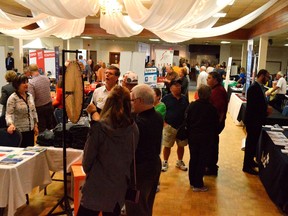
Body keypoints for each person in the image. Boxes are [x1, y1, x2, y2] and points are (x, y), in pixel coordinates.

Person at [78, 86, 139, 216]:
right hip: (119, 185)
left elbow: (87, 161)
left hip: (96, 185)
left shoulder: (99, 128)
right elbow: (131, 156)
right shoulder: (133, 128)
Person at [125, 84, 163, 216]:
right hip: (153, 165)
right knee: (146, 203)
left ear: (140, 101)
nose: (131, 104)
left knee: (135, 206)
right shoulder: (157, 116)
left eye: (132, 100)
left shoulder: (139, 123)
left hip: (139, 170)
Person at [186, 85, 218, 192]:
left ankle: (192, 181)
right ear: (209, 95)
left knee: (193, 158)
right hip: (206, 138)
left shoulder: (192, 106)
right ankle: (198, 183)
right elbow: (215, 125)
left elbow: (187, 120)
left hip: (193, 137)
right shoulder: (212, 109)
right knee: (202, 160)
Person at [243, 69, 271, 175]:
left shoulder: (258, 87)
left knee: (253, 143)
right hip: (253, 121)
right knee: (250, 144)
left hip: (256, 121)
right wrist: (265, 110)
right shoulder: (254, 88)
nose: (268, 79)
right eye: (267, 77)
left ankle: (250, 161)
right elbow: (254, 107)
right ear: (262, 76)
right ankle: (246, 166)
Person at [161, 79, 189, 172]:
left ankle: (179, 161)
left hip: (181, 127)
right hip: (169, 126)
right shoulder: (166, 98)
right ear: (171, 87)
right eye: (176, 85)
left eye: (179, 86)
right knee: (167, 145)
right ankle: (165, 161)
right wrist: (164, 124)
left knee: (181, 146)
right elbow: (161, 111)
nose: (179, 87)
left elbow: (188, 111)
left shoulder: (184, 98)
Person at [6, 74, 38, 147]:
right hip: (19, 132)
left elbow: (33, 111)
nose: (26, 84)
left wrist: (35, 125)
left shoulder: (30, 96)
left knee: (30, 152)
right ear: (17, 85)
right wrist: (11, 124)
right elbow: (9, 114)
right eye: (23, 83)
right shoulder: (13, 98)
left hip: (30, 130)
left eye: (27, 82)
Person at [206, 71, 228, 176]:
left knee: (212, 146)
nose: (207, 80)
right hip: (213, 124)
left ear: (215, 80)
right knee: (211, 145)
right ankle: (210, 165)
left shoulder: (218, 91)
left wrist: (215, 125)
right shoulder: (216, 89)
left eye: (209, 78)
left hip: (214, 125)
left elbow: (219, 111)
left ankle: (211, 167)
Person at [28, 64, 54, 132]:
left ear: (30, 72)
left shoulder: (31, 83)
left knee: (42, 132)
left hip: (40, 109)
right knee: (50, 128)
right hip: (49, 105)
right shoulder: (46, 78)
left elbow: (31, 99)